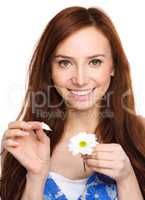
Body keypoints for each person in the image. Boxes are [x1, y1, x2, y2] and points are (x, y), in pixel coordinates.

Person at [0, 6, 145, 200]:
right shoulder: (24, 142)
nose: (80, 79)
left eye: (94, 62)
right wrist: (35, 178)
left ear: (114, 67)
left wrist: (127, 178)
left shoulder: (140, 135)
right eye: (64, 63)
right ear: (48, 70)